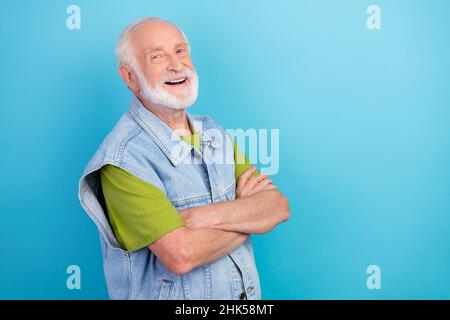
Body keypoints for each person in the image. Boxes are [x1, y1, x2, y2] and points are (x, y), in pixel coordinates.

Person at [78, 17, 290, 300]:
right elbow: (182, 255)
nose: (176, 65)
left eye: (180, 51)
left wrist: (199, 218)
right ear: (130, 77)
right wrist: (248, 215)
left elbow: (277, 207)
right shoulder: (123, 161)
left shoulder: (213, 132)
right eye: (157, 56)